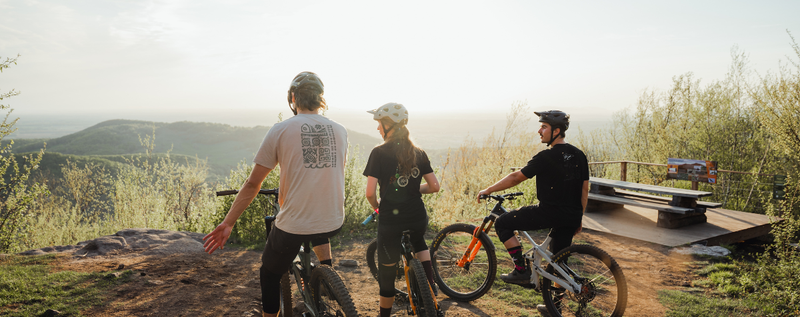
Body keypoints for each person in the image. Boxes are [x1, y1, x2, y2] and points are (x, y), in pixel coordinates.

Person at [203, 71, 348, 317]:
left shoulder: (281, 129)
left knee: (268, 273)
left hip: (294, 226)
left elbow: (252, 184)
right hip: (334, 220)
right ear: (320, 99)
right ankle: (327, 271)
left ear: (293, 98)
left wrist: (228, 223)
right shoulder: (340, 130)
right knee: (317, 227)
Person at [476, 110, 588, 316]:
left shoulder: (547, 156)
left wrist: (489, 189)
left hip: (549, 212)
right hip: (570, 216)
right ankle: (554, 307)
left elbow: (517, 177)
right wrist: (579, 217)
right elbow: (584, 189)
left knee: (503, 223)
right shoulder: (580, 155)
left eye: (544, 127)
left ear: (556, 131)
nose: (539, 131)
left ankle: (521, 270)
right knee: (559, 260)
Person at [363, 103, 440, 317]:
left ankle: (384, 315)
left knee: (387, 274)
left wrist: (378, 207)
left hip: (391, 221)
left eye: (379, 124)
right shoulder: (419, 152)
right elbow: (434, 186)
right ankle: (430, 287)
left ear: (388, 125)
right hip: (417, 217)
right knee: (418, 240)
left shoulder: (378, 153)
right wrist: (414, 189)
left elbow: (370, 193)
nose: (378, 128)